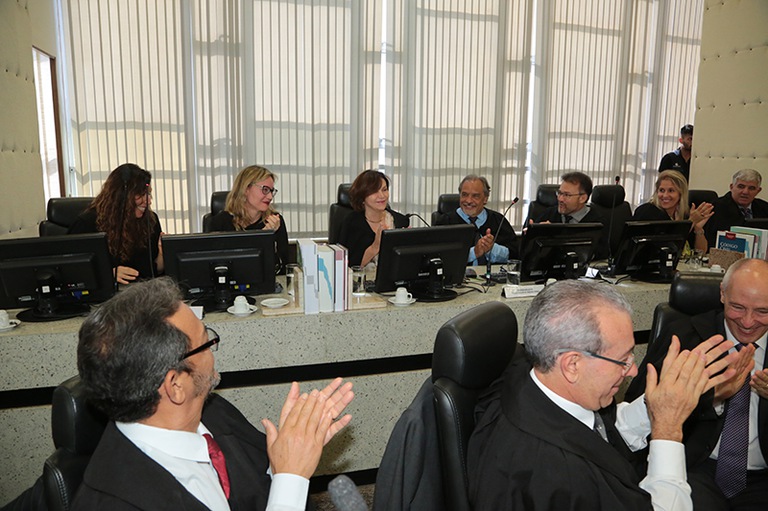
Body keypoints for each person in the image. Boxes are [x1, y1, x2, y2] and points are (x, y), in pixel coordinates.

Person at [71, 277, 354, 510]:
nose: (213, 353)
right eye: (206, 343)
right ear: (175, 385)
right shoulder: (114, 503)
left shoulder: (213, 412)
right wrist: (290, 481)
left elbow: (253, 486)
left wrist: (289, 455)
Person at [467, 279, 738, 510]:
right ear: (572, 364)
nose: (633, 371)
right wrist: (667, 430)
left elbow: (602, 432)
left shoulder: (523, 374)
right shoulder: (566, 475)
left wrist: (658, 403)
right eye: (623, 359)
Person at [625, 258, 768, 511]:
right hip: (696, 467)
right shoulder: (683, 337)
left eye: (762, 312)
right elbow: (638, 410)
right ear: (722, 294)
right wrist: (709, 396)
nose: (748, 322)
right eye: (737, 307)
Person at [68, 163, 163, 284]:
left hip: (142, 292)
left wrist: (162, 253)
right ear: (121, 195)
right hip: (107, 293)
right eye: (141, 194)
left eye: (148, 194)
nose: (148, 201)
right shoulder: (87, 223)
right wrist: (108, 274)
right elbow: (72, 271)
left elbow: (154, 272)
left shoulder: (150, 221)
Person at [208, 165, 290, 273]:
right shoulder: (220, 222)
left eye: (271, 191)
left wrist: (269, 236)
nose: (270, 197)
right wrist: (262, 237)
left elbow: (282, 268)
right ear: (246, 189)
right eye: (265, 190)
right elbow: (218, 266)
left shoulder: (274, 221)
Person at [436, 175, 518, 265]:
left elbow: (515, 254)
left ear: (485, 199)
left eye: (475, 196)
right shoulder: (445, 222)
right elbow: (438, 258)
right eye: (464, 195)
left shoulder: (498, 220)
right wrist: (474, 252)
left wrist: (491, 249)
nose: (468, 201)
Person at [338, 170, 409, 268]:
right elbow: (346, 266)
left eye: (384, 190)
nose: (382, 196)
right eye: (374, 191)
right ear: (362, 197)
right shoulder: (351, 224)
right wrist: (375, 246)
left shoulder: (400, 221)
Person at [633, 169, 713, 253]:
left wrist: (698, 228)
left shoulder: (684, 214)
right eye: (662, 190)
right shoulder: (648, 211)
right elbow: (669, 249)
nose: (665, 195)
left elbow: (702, 251)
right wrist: (691, 222)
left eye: (671, 191)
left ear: (680, 194)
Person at [532, 171, 608, 258]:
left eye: (566, 195)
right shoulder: (549, 214)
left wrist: (554, 238)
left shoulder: (597, 223)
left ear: (582, 198)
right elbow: (531, 252)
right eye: (559, 193)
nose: (560, 199)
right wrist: (533, 235)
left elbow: (600, 257)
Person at [705, 169, 768, 248]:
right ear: (731, 187)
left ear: (758, 191)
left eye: (751, 188)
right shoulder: (715, 208)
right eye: (741, 186)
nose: (745, 192)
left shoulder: (764, 207)